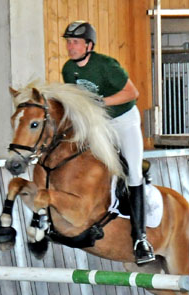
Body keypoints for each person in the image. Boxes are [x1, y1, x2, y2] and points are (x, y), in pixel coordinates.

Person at [61, 20, 155, 265]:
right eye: (69, 42)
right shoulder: (68, 70)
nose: (70, 47)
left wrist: (101, 102)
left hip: (124, 121)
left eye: (75, 42)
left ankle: (140, 239)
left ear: (89, 46)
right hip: (98, 124)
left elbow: (132, 93)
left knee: (132, 172)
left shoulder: (106, 65)